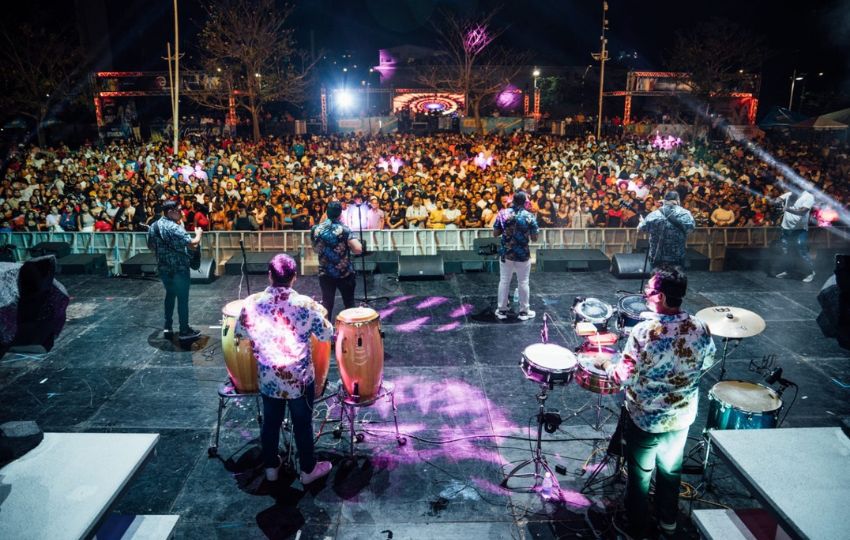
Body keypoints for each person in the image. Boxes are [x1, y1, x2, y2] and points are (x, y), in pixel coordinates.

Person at [594, 266, 716, 538]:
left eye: (649, 290)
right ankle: (668, 522)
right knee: (671, 470)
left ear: (660, 297)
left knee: (639, 476)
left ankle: (638, 527)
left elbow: (621, 377)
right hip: (682, 415)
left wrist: (605, 362)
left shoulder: (644, 332)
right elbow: (707, 361)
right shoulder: (700, 326)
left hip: (646, 418)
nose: (645, 295)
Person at [236, 254, 334, 484]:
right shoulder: (305, 305)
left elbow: (240, 332)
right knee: (302, 424)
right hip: (298, 379)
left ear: (269, 276)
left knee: (271, 423)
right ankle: (308, 470)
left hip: (269, 376)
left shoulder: (252, 303)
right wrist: (319, 313)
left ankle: (271, 467)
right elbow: (327, 334)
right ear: (294, 278)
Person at [147, 200, 202, 340]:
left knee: (170, 294)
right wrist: (199, 233)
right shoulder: (173, 227)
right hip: (179, 268)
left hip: (164, 268)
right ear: (170, 212)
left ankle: (167, 326)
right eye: (178, 210)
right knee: (183, 298)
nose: (182, 213)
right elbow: (193, 244)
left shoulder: (153, 226)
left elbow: (151, 246)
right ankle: (184, 330)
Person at [311, 201, 362, 319]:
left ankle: (325, 335)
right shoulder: (344, 229)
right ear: (340, 214)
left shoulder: (316, 229)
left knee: (327, 305)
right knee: (349, 304)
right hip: (344, 273)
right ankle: (351, 334)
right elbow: (358, 249)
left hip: (325, 273)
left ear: (326, 213)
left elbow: (315, 249)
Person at [494, 191, 539, 321]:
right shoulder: (529, 216)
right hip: (522, 254)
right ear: (525, 202)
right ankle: (524, 312)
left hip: (506, 253)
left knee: (504, 280)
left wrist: (507, 231)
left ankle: (502, 310)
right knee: (523, 282)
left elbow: (495, 233)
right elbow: (535, 238)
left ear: (513, 200)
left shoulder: (503, 213)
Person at [638, 191, 695, 269]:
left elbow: (642, 228)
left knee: (657, 280)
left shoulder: (654, 214)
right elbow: (690, 229)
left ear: (665, 200)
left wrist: (641, 221)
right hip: (677, 256)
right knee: (676, 279)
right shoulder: (686, 214)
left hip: (657, 257)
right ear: (678, 200)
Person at [774, 190, 816, 282]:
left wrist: (786, 209)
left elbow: (802, 212)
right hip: (786, 228)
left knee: (802, 251)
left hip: (800, 229)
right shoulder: (790, 193)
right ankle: (789, 271)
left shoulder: (808, 197)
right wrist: (778, 202)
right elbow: (779, 198)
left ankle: (810, 272)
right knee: (787, 251)